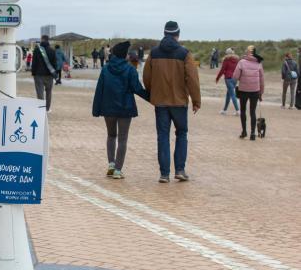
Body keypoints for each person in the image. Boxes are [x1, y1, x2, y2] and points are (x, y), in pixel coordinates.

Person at [143, 21, 201, 183]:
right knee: (181, 134)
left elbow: (146, 77)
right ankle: (180, 170)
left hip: (160, 102)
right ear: (178, 34)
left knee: (163, 136)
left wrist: (152, 93)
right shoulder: (185, 53)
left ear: (164, 33)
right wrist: (196, 100)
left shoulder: (154, 53)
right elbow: (192, 79)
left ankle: (164, 174)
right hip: (179, 102)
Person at [92, 41, 149, 179]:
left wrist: (96, 109)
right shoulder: (130, 70)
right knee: (123, 139)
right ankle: (118, 170)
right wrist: (153, 98)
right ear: (125, 55)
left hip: (108, 107)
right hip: (125, 107)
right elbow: (137, 89)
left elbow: (100, 89)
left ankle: (111, 165)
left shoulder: (105, 69)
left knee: (111, 135)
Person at [232, 45, 264, 140]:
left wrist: (239, 80)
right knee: (252, 112)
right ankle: (253, 134)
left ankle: (244, 132)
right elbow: (262, 80)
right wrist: (261, 93)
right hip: (255, 90)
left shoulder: (241, 62)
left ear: (248, 52)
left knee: (243, 111)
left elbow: (235, 77)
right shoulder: (259, 63)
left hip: (243, 90)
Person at [31, 35, 57, 111]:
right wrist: (54, 73)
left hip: (38, 75)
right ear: (48, 40)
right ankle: (47, 109)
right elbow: (55, 64)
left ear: (42, 40)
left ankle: (41, 109)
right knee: (49, 92)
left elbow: (34, 63)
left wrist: (33, 73)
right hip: (49, 75)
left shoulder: (37, 50)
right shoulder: (52, 50)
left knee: (40, 92)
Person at [215, 48, 240, 115]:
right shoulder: (237, 60)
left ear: (227, 53)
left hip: (228, 79)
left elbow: (222, 70)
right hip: (235, 79)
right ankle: (224, 110)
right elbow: (239, 69)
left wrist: (217, 78)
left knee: (232, 95)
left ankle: (237, 111)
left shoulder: (226, 60)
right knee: (228, 94)